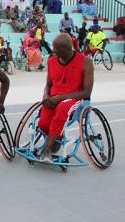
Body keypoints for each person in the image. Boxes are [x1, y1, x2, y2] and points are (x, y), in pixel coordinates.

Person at [37, 34, 93, 162]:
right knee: (43, 123)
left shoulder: (85, 62)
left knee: (63, 107)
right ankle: (56, 138)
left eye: (56, 49)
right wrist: (46, 96)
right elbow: (48, 85)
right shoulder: (51, 61)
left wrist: (60, 98)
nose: (53, 51)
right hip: (54, 98)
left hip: (75, 99)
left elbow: (86, 91)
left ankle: (47, 148)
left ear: (67, 49)